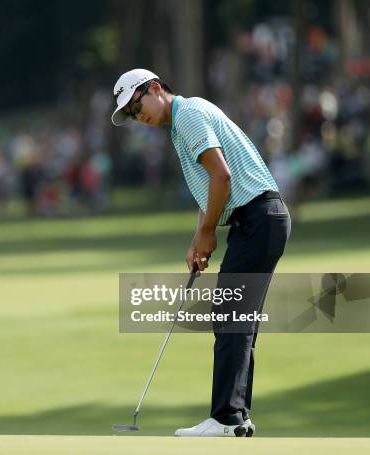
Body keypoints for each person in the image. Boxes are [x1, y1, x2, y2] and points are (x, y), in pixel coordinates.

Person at [111, 69, 291, 437]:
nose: (136, 115)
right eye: (129, 113)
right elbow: (210, 185)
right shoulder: (180, 125)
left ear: (155, 89)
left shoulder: (189, 114)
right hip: (259, 220)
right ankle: (237, 416)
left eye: (136, 104)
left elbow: (222, 177)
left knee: (230, 315)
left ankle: (226, 417)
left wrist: (209, 232)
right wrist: (198, 238)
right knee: (237, 319)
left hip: (257, 217)